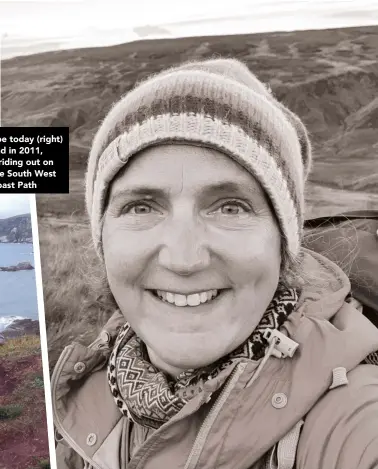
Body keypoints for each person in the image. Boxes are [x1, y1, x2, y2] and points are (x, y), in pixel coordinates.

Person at [52, 58, 378, 469]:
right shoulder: (87, 386)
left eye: (231, 207)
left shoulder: (353, 423)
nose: (185, 259)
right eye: (140, 207)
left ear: (284, 242)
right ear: (102, 239)